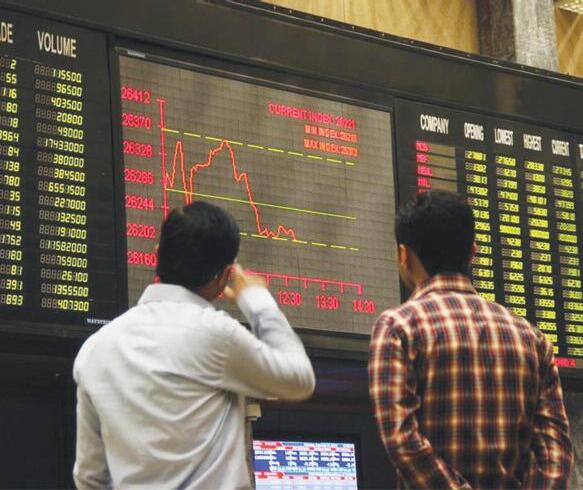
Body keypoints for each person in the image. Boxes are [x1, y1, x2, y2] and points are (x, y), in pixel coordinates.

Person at [73, 201, 315, 489]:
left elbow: (89, 477)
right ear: (225, 276)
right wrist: (257, 300)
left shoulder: (96, 349)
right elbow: (299, 379)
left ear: (157, 255)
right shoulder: (216, 335)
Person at [368, 190, 573, 489]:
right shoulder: (533, 338)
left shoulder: (398, 328)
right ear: (473, 251)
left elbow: (401, 438)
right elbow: (555, 449)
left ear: (404, 255)